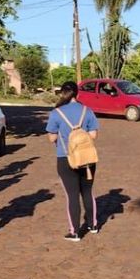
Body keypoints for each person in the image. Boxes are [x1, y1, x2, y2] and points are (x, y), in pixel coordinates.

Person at [46, 81, 100, 242]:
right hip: (87, 158)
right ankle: (93, 225)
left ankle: (75, 231)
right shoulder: (87, 111)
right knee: (88, 192)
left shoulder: (56, 113)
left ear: (62, 93)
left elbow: (51, 137)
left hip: (65, 158)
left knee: (72, 196)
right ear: (78, 94)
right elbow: (94, 135)